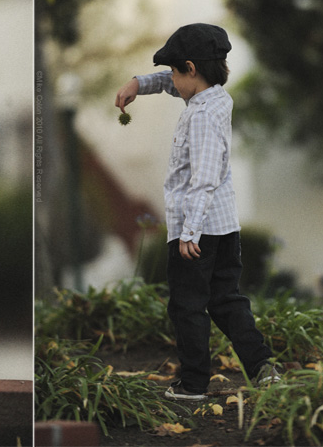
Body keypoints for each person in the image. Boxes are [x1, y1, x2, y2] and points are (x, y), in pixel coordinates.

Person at [114, 23, 279, 401]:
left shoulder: (202, 117)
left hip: (197, 229)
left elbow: (203, 177)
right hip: (223, 226)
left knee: (187, 306)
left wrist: (189, 232)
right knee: (226, 299)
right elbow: (174, 84)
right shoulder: (214, 98)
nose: (171, 79)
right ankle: (261, 367)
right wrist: (139, 84)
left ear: (191, 67)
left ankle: (193, 385)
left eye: (174, 71)